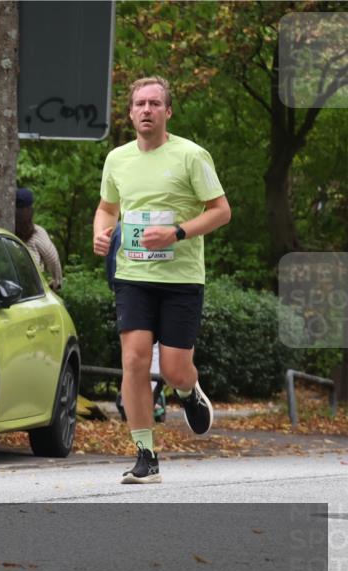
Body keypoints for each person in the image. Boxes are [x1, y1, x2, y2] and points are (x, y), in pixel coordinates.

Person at [92, 75, 230, 484]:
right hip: (132, 274)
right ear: (130, 113)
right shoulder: (117, 159)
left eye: (154, 103)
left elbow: (221, 211)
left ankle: (188, 390)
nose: (147, 110)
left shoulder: (191, 156)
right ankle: (145, 455)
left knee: (173, 369)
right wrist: (101, 232)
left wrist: (177, 232)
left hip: (181, 278)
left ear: (167, 111)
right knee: (134, 359)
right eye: (140, 104)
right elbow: (107, 207)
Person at [106, 224, 167, 423]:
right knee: (139, 351)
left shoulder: (123, 227)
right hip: (135, 290)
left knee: (139, 351)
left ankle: (142, 397)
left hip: (141, 291)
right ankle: (144, 398)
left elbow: (111, 262)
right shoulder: (125, 228)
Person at [14, 187, 62, 290]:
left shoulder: (4, 230)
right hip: (31, 288)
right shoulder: (37, 232)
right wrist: (56, 281)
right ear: (31, 210)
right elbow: (52, 258)